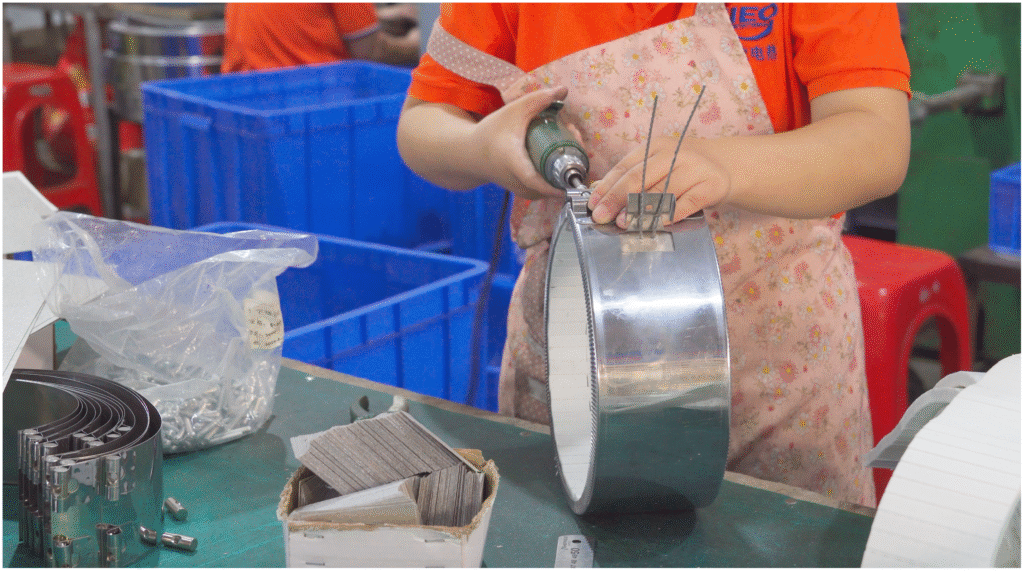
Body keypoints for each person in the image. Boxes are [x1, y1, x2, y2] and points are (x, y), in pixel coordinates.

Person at [396, 3, 911, 508]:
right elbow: (424, 122)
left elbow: (876, 142)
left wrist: (724, 166)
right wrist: (483, 146)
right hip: (579, 369)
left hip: (778, 373)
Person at [222, 3, 421, 72]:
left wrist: (383, 16)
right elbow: (371, 52)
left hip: (246, 93)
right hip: (311, 99)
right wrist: (420, 44)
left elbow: (306, 15)